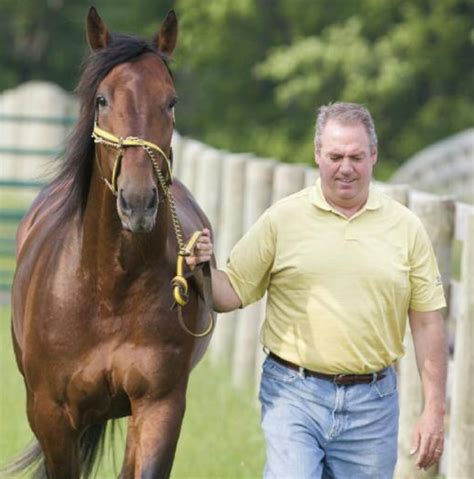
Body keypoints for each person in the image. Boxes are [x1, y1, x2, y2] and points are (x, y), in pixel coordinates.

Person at [187, 102, 447, 479]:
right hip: (294, 393)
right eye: (335, 156)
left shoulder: (406, 228)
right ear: (317, 155)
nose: (346, 167)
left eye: (357, 156)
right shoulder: (282, 219)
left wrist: (433, 410)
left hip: (373, 406)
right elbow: (230, 294)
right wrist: (204, 267)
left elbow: (427, 324)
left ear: (374, 155)